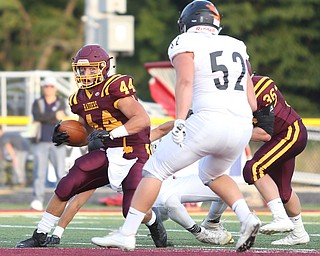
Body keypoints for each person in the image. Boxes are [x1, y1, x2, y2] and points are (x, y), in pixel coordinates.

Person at [91, 1, 261, 252]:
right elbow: (253, 102)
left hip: (208, 120)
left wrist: (180, 120)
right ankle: (247, 218)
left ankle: (127, 234)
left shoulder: (185, 42)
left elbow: (185, 81)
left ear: (188, 22)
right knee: (212, 174)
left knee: (154, 171)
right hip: (242, 124)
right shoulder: (237, 45)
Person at [15, 44, 166, 248]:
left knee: (131, 208)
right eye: (82, 69)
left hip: (135, 151)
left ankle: (154, 223)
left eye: (92, 68)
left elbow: (142, 120)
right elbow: (86, 134)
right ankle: (41, 233)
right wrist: (66, 136)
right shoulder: (79, 98)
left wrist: (113, 133)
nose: (86, 73)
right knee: (68, 183)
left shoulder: (114, 86)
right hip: (107, 149)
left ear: (103, 68)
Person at [45, 120, 233, 246]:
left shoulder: (132, 146)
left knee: (221, 185)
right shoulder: (101, 167)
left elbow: (159, 130)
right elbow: (76, 202)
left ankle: (213, 223)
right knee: (170, 202)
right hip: (150, 203)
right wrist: (57, 232)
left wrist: (183, 120)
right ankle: (200, 233)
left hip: (172, 183)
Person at [243, 74, 310, 245]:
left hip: (290, 133)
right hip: (282, 135)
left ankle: (280, 217)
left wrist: (231, 132)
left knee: (254, 169)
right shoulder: (236, 93)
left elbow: (264, 133)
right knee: (283, 191)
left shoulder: (260, 87)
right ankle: (299, 233)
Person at [30, 76, 68, 211]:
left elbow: (62, 118)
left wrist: (49, 117)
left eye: (51, 86)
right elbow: (38, 116)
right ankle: (37, 199)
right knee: (39, 173)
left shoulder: (61, 101)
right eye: (47, 86)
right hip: (41, 141)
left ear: (55, 88)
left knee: (60, 173)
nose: (49, 89)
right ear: (43, 88)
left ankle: (62, 199)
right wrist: (53, 116)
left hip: (57, 142)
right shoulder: (38, 102)